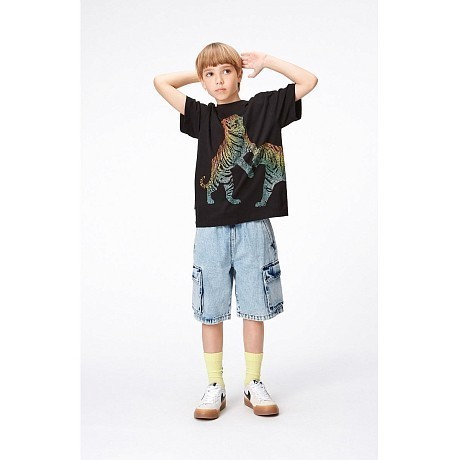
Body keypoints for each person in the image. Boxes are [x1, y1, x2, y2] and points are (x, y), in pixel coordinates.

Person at [153, 42, 317, 419]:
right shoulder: (202, 116)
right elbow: (161, 82)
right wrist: (203, 71)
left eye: (226, 71)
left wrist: (267, 61)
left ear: (239, 74)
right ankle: (215, 385)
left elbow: (308, 81)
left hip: (253, 226)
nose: (218, 80)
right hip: (210, 229)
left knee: (254, 307)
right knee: (210, 310)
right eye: (210, 75)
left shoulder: (263, 107)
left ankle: (253, 382)